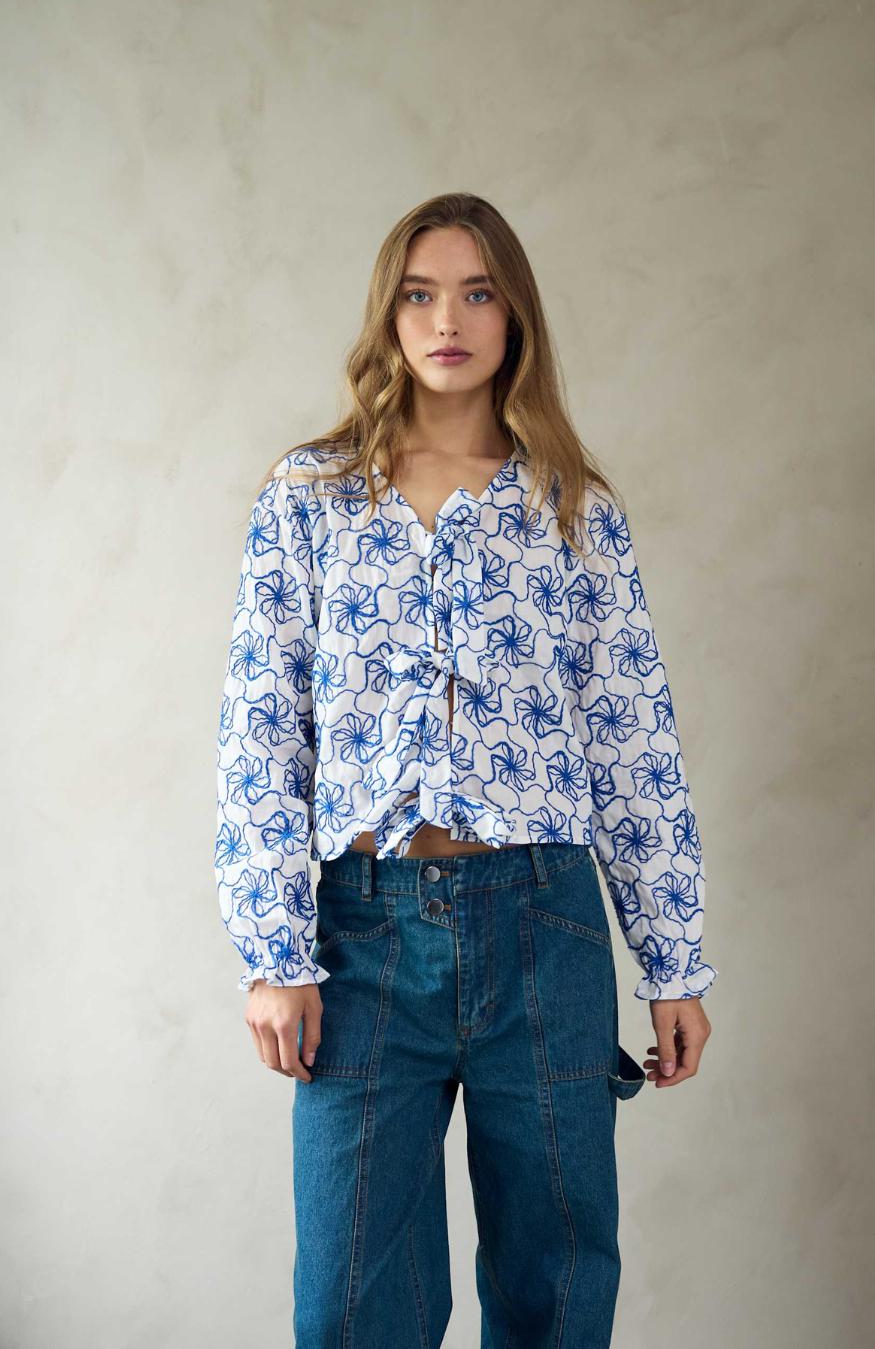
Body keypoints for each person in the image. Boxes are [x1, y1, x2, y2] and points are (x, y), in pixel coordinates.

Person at [213, 192, 717, 1347]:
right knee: (351, 1301)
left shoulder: (571, 509)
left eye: (478, 292)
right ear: (387, 314)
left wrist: (672, 960)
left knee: (554, 1291)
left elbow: (631, 741)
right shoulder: (310, 499)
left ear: (514, 315)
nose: (448, 320)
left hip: (541, 924)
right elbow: (261, 730)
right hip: (359, 935)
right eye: (420, 293)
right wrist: (275, 951)